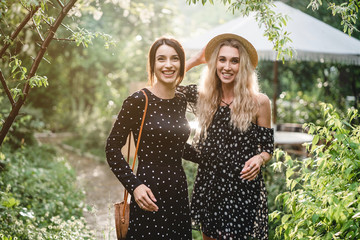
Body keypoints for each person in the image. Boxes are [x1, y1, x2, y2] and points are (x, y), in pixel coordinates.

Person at [179, 33, 274, 240]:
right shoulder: (204, 97)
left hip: (242, 187)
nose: (227, 67)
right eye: (222, 59)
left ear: (243, 66)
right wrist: (196, 60)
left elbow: (267, 149)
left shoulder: (259, 102)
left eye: (234, 61)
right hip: (210, 186)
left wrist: (259, 158)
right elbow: (165, 85)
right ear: (214, 63)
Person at [105, 37, 193, 239]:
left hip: (178, 193)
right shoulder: (138, 100)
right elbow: (111, 148)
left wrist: (213, 156)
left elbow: (177, 146)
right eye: (161, 59)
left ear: (181, 63)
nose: (168, 65)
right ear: (153, 64)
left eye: (174, 59)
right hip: (148, 195)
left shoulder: (180, 101)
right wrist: (134, 186)